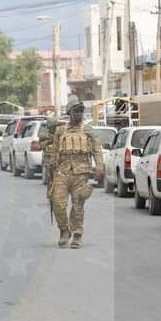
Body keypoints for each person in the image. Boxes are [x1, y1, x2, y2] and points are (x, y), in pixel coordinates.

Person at [51, 97, 104, 249]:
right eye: (76, 111)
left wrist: (99, 166)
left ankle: (77, 234)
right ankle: (64, 230)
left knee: (78, 204)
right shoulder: (60, 131)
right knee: (58, 203)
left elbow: (97, 150)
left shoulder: (88, 131)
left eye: (81, 111)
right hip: (62, 172)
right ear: (69, 113)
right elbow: (54, 152)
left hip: (81, 173)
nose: (79, 114)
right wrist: (51, 169)